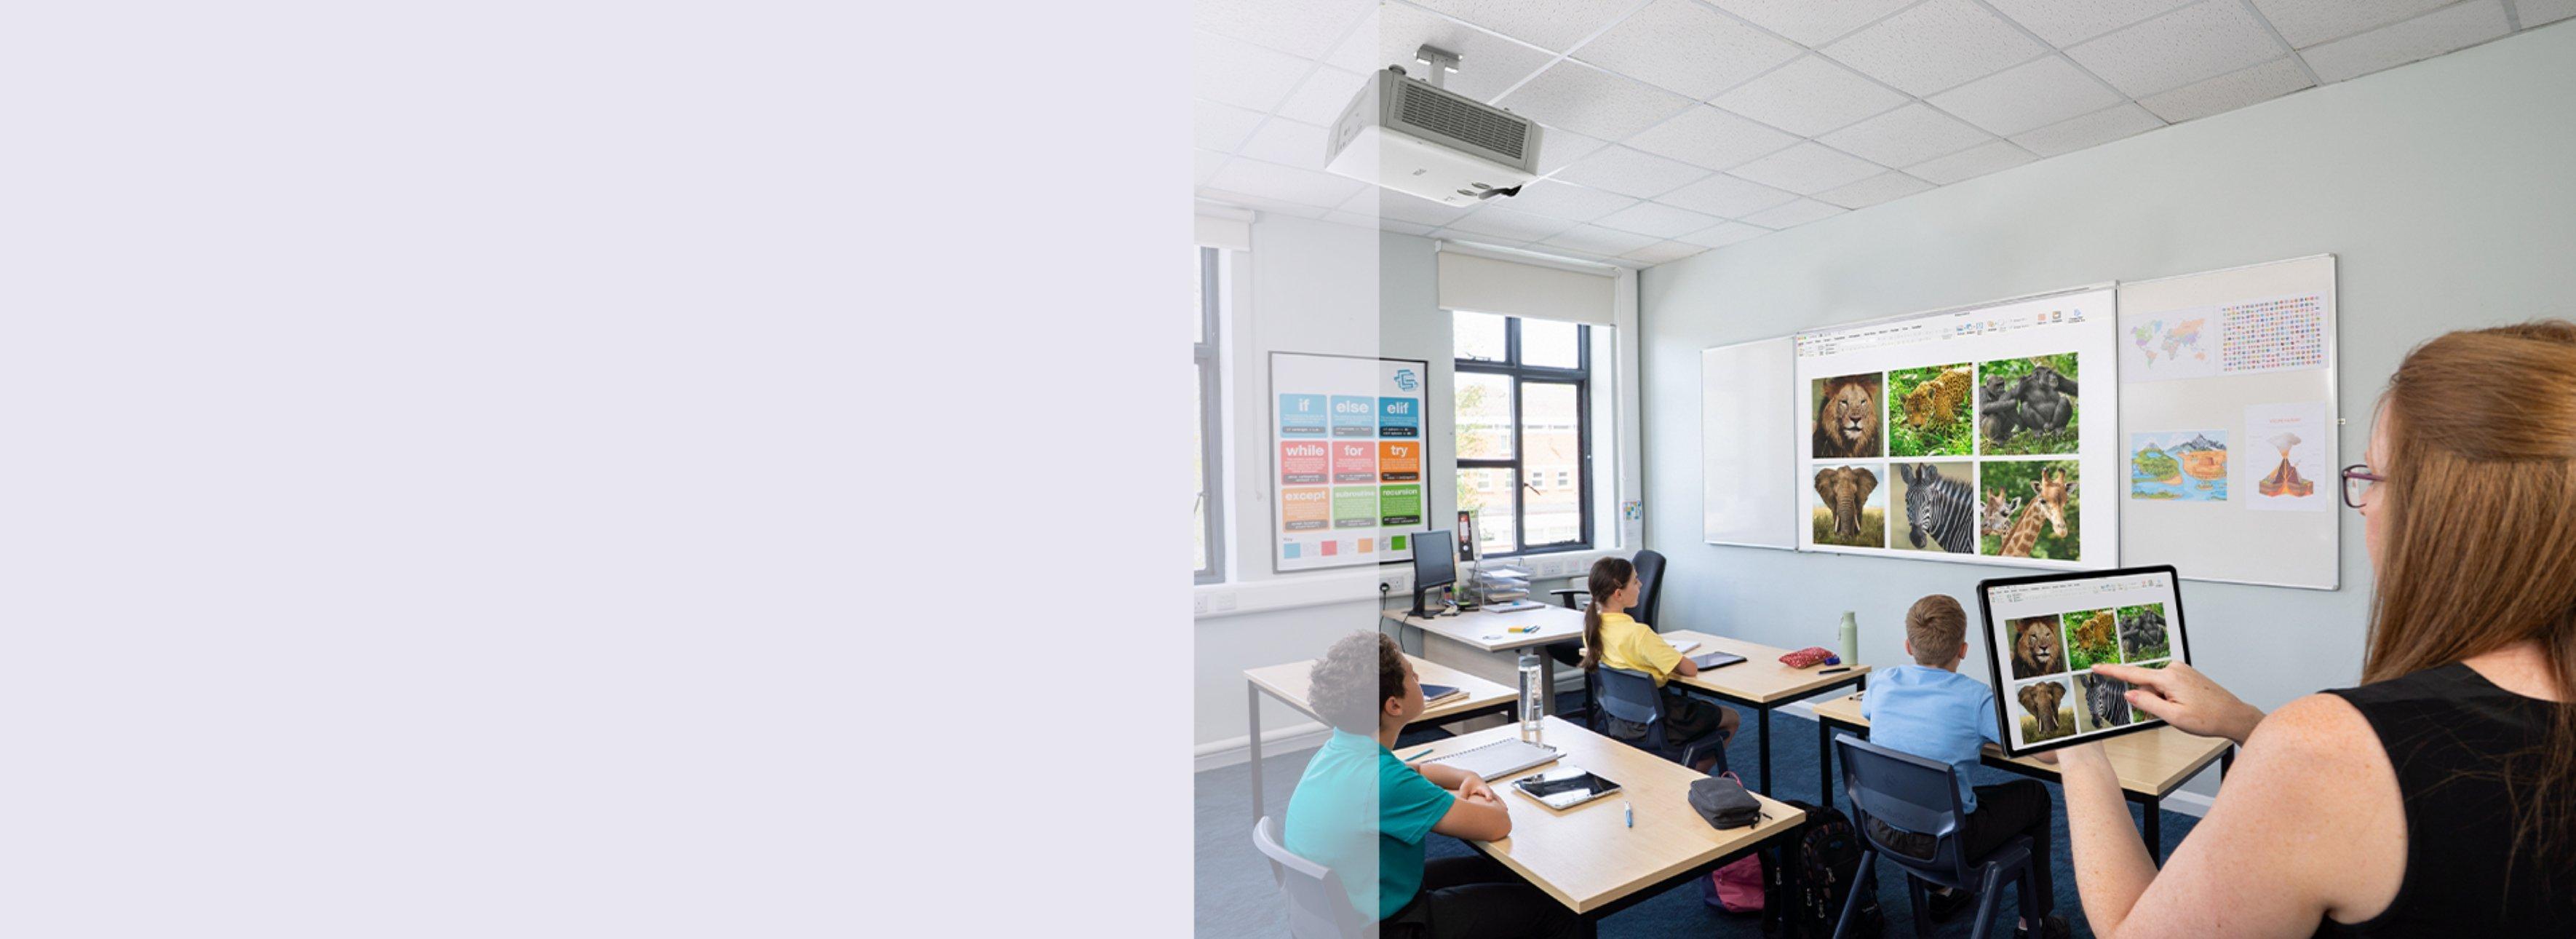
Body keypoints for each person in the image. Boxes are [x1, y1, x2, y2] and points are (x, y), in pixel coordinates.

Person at [2044, 322, 2576, 936]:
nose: (2365, 505)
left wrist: (2080, 752)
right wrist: (2249, 723)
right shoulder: (2334, 755)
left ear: (2445, 515)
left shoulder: (2326, 751)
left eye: (2372, 478)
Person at [1281, 631, 1578, 938]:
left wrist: (1466, 778)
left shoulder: (1338, 752)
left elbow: (1416, 770)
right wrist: (1479, 797)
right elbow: (1498, 823)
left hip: (1350, 908)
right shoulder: (1386, 783)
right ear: (1394, 706)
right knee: (1557, 912)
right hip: (1391, 926)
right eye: (1412, 675)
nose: (1419, 676)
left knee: (1502, 872)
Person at [1860, 595, 2067, 938]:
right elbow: (2046, 753)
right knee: (2035, 794)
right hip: (1948, 845)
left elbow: (1869, 714)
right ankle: (2035, 923)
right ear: (1964, 649)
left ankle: (1942, 892)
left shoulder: (1881, 682)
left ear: (1908, 647)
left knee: (1946, 790)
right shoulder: (1977, 699)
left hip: (1882, 827)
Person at [1579, 556, 1740, 770]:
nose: (1641, 585)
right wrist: (1666, 654)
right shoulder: (1639, 634)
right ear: (1619, 594)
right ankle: (1691, 777)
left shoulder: (1592, 630)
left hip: (1621, 721)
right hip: (1661, 721)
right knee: (1732, 717)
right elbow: (1690, 670)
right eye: (1635, 581)